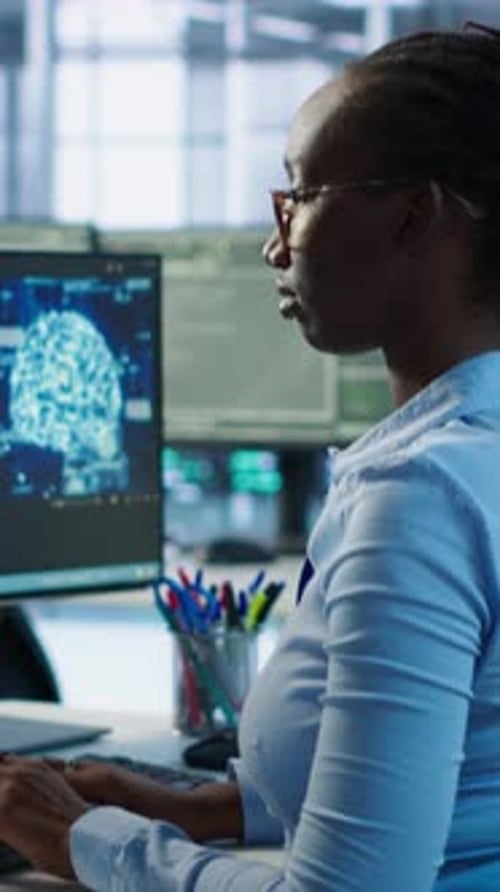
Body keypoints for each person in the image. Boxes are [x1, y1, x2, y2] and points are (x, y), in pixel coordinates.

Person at [1, 20, 500, 891]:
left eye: (300, 196)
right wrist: (209, 809)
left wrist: (86, 842)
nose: (277, 242)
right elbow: (466, 779)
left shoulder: (421, 497)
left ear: (415, 217)